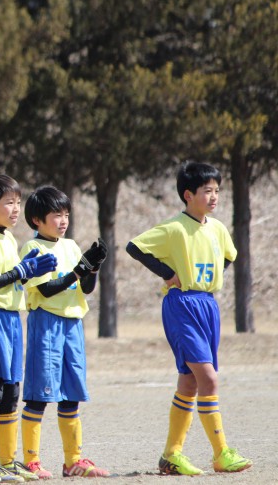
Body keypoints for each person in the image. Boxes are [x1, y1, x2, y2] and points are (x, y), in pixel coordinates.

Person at [126, 161, 252, 476]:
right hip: (182, 305)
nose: (214, 197)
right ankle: (221, 453)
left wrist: (209, 280)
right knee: (208, 378)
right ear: (188, 194)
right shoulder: (174, 228)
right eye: (207, 191)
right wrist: (169, 274)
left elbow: (229, 255)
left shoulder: (218, 228)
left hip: (207, 305)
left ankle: (171, 455)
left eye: (217, 191)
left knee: (190, 381)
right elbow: (135, 247)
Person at [18, 185, 109, 480]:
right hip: (46, 323)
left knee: (71, 395)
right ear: (36, 221)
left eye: (66, 214)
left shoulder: (69, 246)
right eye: (56, 215)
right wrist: (78, 270)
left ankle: (73, 461)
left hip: (73, 325)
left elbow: (85, 288)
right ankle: (31, 461)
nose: (63, 220)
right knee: (40, 395)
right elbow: (44, 289)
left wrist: (92, 268)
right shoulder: (33, 249)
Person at [0, 175, 56, 483]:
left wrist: (24, 273)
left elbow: (10, 279)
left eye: (18, 203)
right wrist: (19, 272)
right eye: (9, 203)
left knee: (12, 390)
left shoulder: (8, 238)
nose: (15, 209)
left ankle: (8, 460)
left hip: (11, 319)